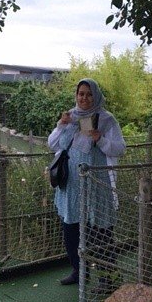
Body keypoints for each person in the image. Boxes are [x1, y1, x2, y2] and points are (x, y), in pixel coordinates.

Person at [48, 78, 126, 286]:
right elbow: (53, 144)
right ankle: (78, 271)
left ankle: (107, 277)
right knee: (71, 229)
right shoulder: (70, 117)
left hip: (96, 184)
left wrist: (100, 139)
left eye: (89, 94)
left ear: (96, 96)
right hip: (71, 185)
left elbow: (119, 148)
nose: (84, 98)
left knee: (101, 231)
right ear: (76, 95)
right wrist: (60, 125)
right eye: (81, 93)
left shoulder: (106, 119)